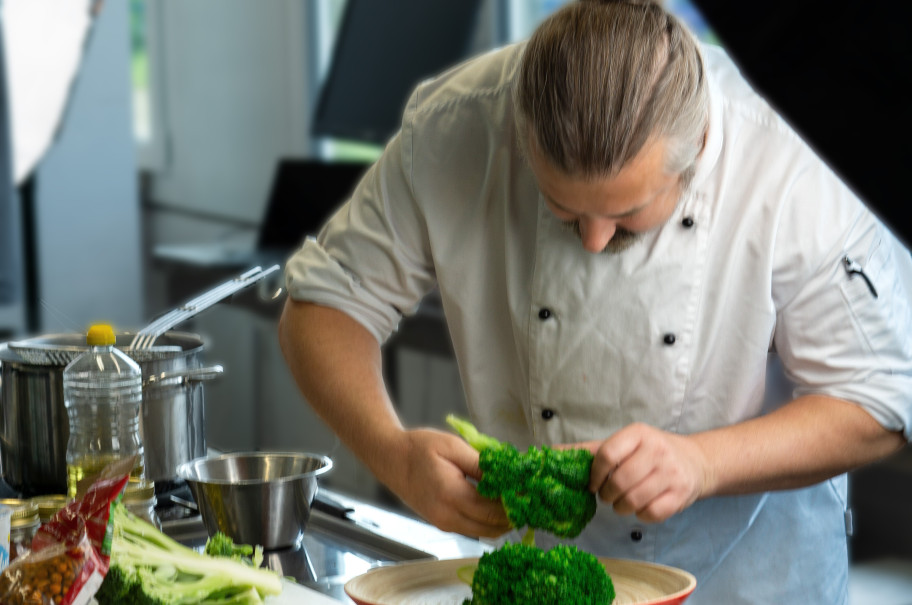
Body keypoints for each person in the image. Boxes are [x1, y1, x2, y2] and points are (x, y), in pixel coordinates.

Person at [278, 0, 912, 602]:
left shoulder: (790, 161)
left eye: (628, 215)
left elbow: (881, 399)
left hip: (751, 584)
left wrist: (702, 463)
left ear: (695, 156)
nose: (592, 238)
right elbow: (324, 303)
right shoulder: (460, 124)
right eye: (560, 209)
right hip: (539, 575)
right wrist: (392, 454)